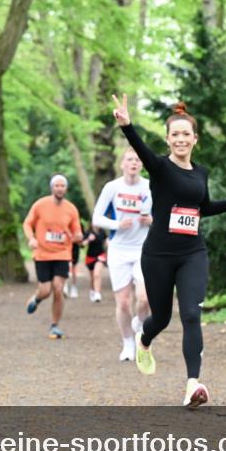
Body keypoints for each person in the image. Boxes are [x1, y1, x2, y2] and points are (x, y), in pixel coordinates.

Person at [112, 95, 226, 408]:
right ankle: (144, 339)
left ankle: (193, 385)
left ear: (194, 139)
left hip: (192, 252)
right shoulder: (160, 168)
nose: (180, 139)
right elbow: (142, 152)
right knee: (161, 318)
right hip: (158, 255)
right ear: (168, 139)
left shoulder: (200, 174)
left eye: (185, 134)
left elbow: (203, 208)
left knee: (192, 313)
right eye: (174, 134)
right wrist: (127, 126)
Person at [92, 148, 153, 362]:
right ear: (122, 164)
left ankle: (138, 325)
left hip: (144, 249)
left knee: (144, 299)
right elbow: (96, 218)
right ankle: (128, 342)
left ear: (142, 165)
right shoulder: (112, 187)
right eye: (129, 159)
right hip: (118, 250)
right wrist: (118, 224)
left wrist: (153, 221)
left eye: (137, 160)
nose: (133, 163)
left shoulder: (149, 186)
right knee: (124, 302)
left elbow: (164, 214)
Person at [22, 174, 83, 339]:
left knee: (58, 288)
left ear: (66, 188)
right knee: (45, 290)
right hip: (42, 253)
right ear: (52, 187)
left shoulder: (71, 209)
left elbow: (77, 231)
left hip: (63, 253)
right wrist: (31, 238)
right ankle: (37, 298)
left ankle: (55, 325)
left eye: (62, 186)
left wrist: (78, 236)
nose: (60, 188)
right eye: (57, 185)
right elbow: (27, 223)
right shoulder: (41, 205)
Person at [83, 225, 108, 303]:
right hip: (90, 257)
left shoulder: (102, 232)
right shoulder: (88, 232)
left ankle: (97, 293)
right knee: (92, 278)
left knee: (97, 274)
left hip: (100, 256)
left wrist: (108, 243)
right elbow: (82, 244)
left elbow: (106, 241)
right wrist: (88, 239)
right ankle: (92, 291)